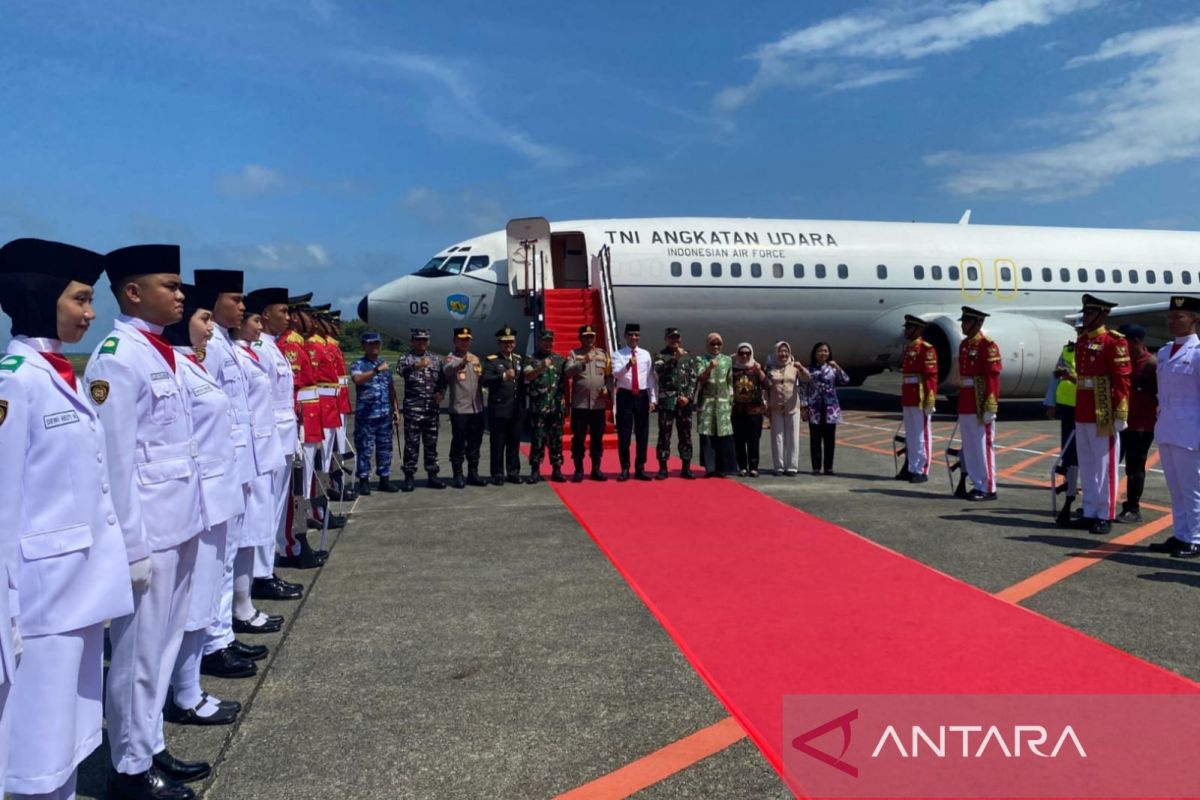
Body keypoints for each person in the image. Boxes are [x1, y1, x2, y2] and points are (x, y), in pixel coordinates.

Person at [0, 239, 134, 800]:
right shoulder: (15, 380)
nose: (90, 312)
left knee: (70, 738)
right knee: (33, 747)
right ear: (40, 298)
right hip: (38, 602)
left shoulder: (58, 372)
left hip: (76, 591)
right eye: (80, 299)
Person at [85, 244, 208, 799]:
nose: (181, 295)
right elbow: (115, 462)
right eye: (170, 285)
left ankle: (151, 743)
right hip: (149, 532)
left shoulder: (162, 353)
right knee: (136, 653)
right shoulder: (117, 356)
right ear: (133, 292)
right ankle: (130, 769)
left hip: (180, 520)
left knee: (163, 644)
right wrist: (130, 547)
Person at [162, 285, 247, 729]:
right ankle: (184, 693)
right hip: (197, 502)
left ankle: (189, 688)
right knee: (192, 603)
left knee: (205, 597)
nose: (211, 327)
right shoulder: (173, 367)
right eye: (203, 319)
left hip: (217, 497)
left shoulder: (191, 364)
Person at [1072, 294, 1132, 534]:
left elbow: (1122, 379)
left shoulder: (1113, 342)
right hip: (1084, 408)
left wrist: (1121, 411)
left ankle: (1105, 513)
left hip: (1103, 408)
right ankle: (1089, 510)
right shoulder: (1083, 341)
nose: (1085, 317)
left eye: (1089, 313)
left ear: (1102, 315)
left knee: (1104, 465)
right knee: (1086, 464)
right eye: (1084, 312)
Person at [1148, 295, 1200, 558]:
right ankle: (1181, 534)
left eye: (1178, 317)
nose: (1172, 322)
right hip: (1168, 425)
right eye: (1170, 317)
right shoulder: (1166, 351)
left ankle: (1196, 537)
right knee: (1175, 486)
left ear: (1194, 319)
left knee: (1192, 487)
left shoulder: (1198, 353)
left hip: (1192, 429)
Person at [955, 307, 1002, 500]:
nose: (963, 325)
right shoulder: (965, 345)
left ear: (978, 323)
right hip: (966, 399)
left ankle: (988, 487)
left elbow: (992, 377)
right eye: (963, 321)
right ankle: (977, 483)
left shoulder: (987, 345)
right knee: (970, 445)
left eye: (967, 322)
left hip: (980, 400)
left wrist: (991, 405)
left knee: (983, 445)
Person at [1116, 323, 1157, 523]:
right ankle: (1103, 503)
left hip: (1141, 426)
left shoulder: (1150, 364)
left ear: (1136, 341)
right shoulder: (1122, 361)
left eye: (1124, 343)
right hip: (1120, 423)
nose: (1120, 347)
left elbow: (1159, 396)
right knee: (1110, 465)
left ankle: (1133, 508)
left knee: (1134, 468)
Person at [350, 331, 399, 494]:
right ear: (364, 345)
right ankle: (363, 479)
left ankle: (384, 479)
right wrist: (376, 371)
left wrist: (396, 409)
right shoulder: (359, 364)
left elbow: (391, 388)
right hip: (366, 416)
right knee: (365, 448)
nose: (375, 347)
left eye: (377, 343)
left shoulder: (384, 364)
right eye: (371, 344)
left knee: (385, 447)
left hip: (384, 414)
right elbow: (357, 379)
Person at [398, 328, 446, 491]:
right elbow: (401, 371)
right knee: (411, 444)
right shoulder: (406, 358)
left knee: (431, 444)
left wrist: (441, 393)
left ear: (429, 342)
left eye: (425, 340)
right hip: (413, 409)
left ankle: (433, 475)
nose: (422, 342)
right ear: (412, 341)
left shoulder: (436, 359)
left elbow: (442, 381)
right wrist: (415, 366)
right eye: (418, 340)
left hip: (431, 410)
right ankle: (409, 476)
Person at [565, 324, 612, 482]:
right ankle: (578, 469)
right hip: (580, 405)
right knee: (578, 438)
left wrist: (607, 389)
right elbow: (567, 373)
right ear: (580, 338)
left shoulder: (602, 354)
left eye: (591, 336)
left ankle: (596, 469)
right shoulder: (574, 354)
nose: (589, 339)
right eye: (586, 336)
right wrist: (583, 362)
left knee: (597, 438)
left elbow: (609, 376)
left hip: (598, 405)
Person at [652, 327, 701, 480]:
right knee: (664, 434)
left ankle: (686, 467)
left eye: (677, 338)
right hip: (667, 400)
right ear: (666, 339)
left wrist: (688, 397)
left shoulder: (689, 357)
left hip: (684, 403)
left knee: (686, 434)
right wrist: (674, 360)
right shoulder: (660, 355)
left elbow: (693, 380)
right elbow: (659, 372)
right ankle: (662, 467)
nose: (675, 340)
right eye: (672, 338)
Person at [1045, 327, 1081, 526]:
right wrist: (1050, 401)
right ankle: (1069, 483)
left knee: (1081, 454)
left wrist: (1071, 377)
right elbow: (1055, 377)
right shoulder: (1069, 350)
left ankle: (1074, 488)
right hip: (1067, 406)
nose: (1080, 333)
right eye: (1078, 329)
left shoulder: (1097, 349)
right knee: (1068, 451)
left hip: (1084, 407)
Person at [612, 322, 656, 481]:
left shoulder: (645, 354)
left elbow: (650, 377)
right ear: (625, 336)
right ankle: (624, 467)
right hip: (625, 395)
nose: (633, 337)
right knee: (624, 433)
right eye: (630, 334)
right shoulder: (618, 354)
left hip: (642, 395)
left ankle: (640, 467)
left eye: (636, 334)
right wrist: (627, 366)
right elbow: (616, 375)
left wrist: (653, 398)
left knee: (642, 433)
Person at [443, 327, 486, 488]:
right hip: (460, 410)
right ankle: (458, 474)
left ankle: (473, 473)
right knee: (459, 443)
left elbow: (481, 380)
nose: (464, 342)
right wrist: (461, 362)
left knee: (475, 442)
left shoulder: (475, 359)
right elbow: (447, 370)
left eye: (467, 339)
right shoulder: (450, 358)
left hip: (477, 409)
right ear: (454, 341)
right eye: (461, 339)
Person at [482, 325, 525, 485]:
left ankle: (513, 472)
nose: (508, 345)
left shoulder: (518, 359)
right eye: (504, 342)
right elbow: (485, 381)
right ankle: (498, 473)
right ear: (499, 344)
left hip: (516, 408)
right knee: (498, 443)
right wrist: (503, 377)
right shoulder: (492, 361)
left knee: (514, 442)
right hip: (499, 409)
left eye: (511, 342)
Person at [524, 329, 568, 483]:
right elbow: (528, 376)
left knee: (556, 440)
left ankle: (557, 469)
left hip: (556, 408)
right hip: (539, 408)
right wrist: (541, 366)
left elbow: (564, 384)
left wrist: (566, 404)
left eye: (550, 341)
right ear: (539, 342)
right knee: (538, 440)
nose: (548, 343)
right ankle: (535, 470)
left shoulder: (559, 360)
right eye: (545, 341)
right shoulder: (531, 359)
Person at [898, 315, 938, 483]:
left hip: (920, 395)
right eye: (906, 327)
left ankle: (922, 469)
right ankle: (912, 467)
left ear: (918, 329)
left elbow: (930, 376)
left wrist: (930, 399)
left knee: (922, 435)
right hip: (909, 394)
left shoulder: (926, 348)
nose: (906, 330)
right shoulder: (909, 348)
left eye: (910, 327)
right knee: (911, 435)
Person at [802, 341, 850, 475]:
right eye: (820, 351)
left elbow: (846, 380)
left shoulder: (833, 369)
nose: (823, 353)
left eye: (825, 351)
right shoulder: (809, 369)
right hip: (815, 407)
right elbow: (804, 388)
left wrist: (838, 367)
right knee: (815, 439)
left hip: (830, 408)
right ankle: (816, 467)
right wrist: (804, 405)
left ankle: (828, 467)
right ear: (815, 354)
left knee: (830, 439)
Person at [765, 340, 809, 476]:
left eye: (785, 351)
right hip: (776, 406)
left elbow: (807, 379)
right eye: (780, 351)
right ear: (776, 352)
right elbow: (765, 387)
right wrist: (765, 403)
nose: (783, 354)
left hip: (792, 406)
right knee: (777, 437)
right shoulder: (770, 368)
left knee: (793, 437)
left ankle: (792, 466)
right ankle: (778, 466)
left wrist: (801, 368)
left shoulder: (794, 366)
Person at [696, 332, 735, 477]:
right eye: (713, 344)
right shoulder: (701, 360)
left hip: (723, 404)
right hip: (707, 404)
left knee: (723, 435)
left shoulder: (727, 360)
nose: (716, 346)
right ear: (707, 345)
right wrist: (709, 368)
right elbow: (700, 379)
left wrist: (731, 401)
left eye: (718, 344)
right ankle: (710, 468)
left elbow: (730, 382)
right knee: (708, 436)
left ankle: (723, 467)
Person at [731, 343, 768, 477]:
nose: (744, 355)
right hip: (738, 410)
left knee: (753, 440)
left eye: (747, 353)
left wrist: (759, 371)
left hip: (755, 410)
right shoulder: (733, 369)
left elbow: (767, 384)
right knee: (739, 440)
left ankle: (753, 466)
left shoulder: (756, 367)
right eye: (741, 353)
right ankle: (742, 466)